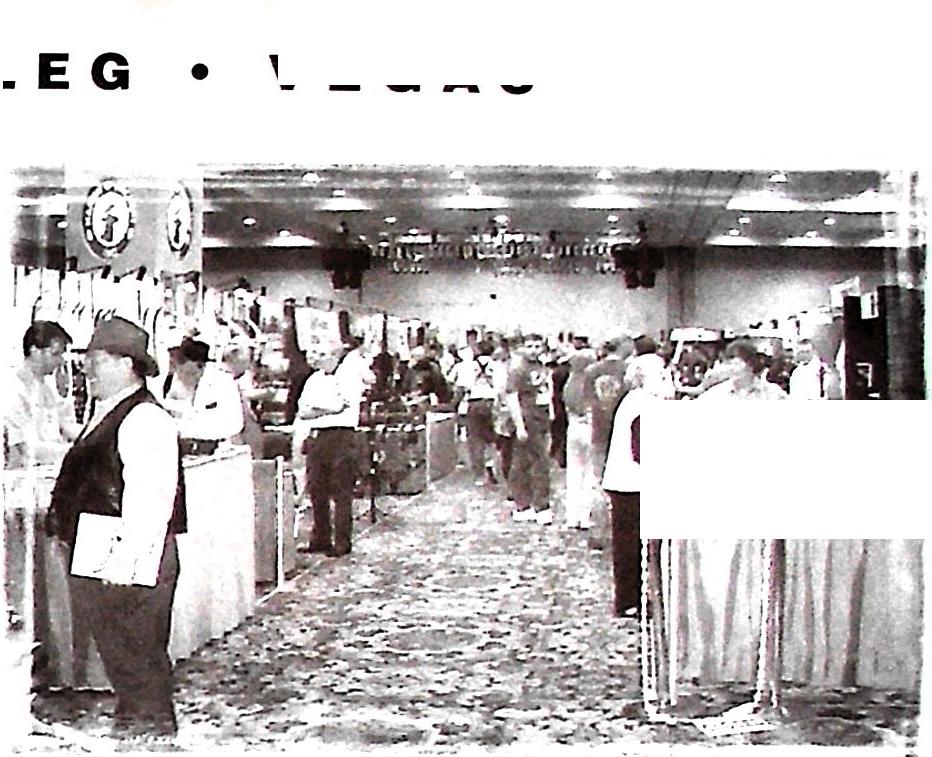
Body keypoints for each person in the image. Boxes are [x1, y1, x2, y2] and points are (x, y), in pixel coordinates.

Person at [45, 316, 186, 738]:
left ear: (127, 364)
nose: (86, 368)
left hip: (126, 551)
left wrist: (125, 561)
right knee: (121, 652)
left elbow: (151, 496)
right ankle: (137, 724)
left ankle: (150, 732)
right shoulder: (108, 411)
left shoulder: (144, 417)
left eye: (97, 359)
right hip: (102, 546)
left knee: (137, 651)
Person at [602, 352, 669, 617]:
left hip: (626, 481)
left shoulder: (635, 400)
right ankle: (631, 601)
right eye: (660, 376)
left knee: (629, 545)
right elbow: (643, 451)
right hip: (632, 483)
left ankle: (630, 599)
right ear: (643, 378)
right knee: (632, 547)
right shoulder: (643, 404)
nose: (665, 380)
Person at [294, 343, 365, 557]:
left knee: (341, 490)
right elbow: (303, 410)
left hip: (342, 436)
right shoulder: (313, 380)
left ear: (335, 355)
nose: (317, 357)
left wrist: (318, 408)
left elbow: (342, 406)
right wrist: (326, 408)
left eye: (322, 353)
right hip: (317, 436)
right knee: (316, 489)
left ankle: (342, 541)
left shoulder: (349, 377)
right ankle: (320, 538)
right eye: (314, 353)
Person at [5, 321, 81, 467]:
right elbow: (26, 449)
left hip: (52, 468)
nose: (60, 361)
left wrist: (97, 436)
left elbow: (66, 425)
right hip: (25, 473)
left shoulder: (47, 387)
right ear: (35, 351)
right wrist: (76, 452)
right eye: (55, 354)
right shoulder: (12, 389)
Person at [506, 333, 554, 525]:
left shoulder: (542, 367)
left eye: (537, 346)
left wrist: (550, 412)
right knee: (536, 463)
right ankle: (538, 506)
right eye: (530, 346)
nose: (534, 350)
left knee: (526, 462)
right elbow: (512, 397)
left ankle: (525, 504)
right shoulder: (518, 369)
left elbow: (546, 391)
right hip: (527, 418)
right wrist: (519, 425)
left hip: (541, 418)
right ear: (523, 348)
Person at [162, 337, 244, 443]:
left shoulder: (223, 382)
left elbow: (234, 423)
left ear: (199, 365)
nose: (178, 372)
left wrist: (185, 428)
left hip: (218, 446)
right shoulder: (173, 382)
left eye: (181, 367)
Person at [452, 339, 500, 486]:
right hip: (492, 403)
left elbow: (461, 387)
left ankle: (480, 475)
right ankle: (491, 465)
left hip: (475, 402)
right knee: (491, 439)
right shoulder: (496, 365)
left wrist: (455, 405)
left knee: (475, 440)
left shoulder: (469, 366)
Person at [563, 346, 598, 529]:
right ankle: (584, 516)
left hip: (573, 426)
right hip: (589, 426)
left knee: (574, 472)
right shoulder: (590, 384)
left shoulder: (569, 385)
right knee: (589, 474)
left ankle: (572, 516)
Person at [697, 339, 788, 400]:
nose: (730, 366)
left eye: (736, 361)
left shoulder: (773, 393)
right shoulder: (715, 395)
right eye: (729, 361)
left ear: (750, 363)